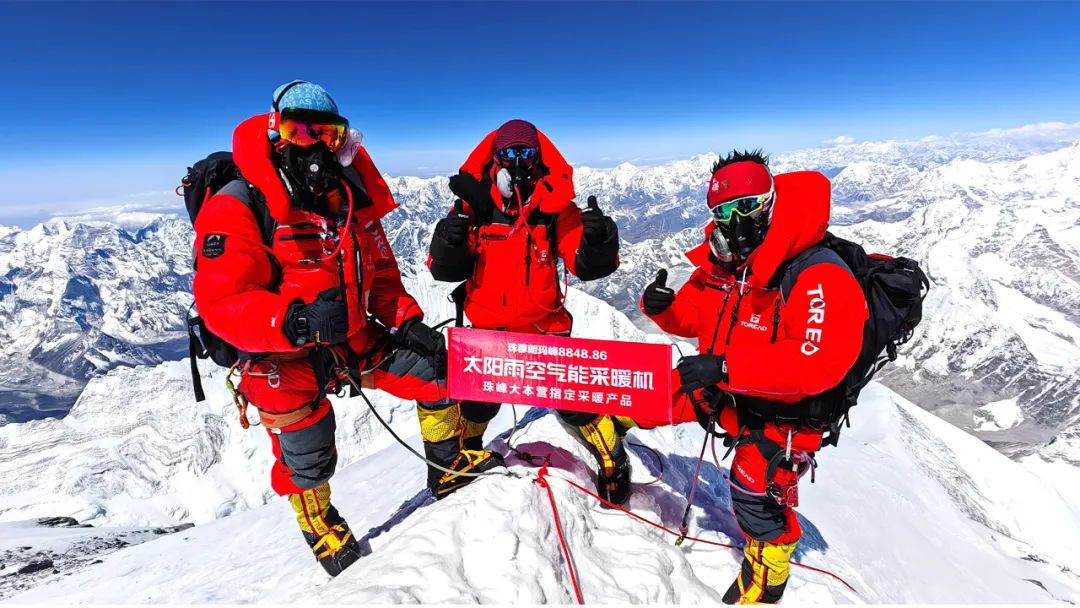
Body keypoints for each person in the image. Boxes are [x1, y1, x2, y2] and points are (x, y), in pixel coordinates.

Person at [192, 81, 451, 576]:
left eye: (327, 134)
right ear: (277, 133)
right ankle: (321, 528)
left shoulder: (347, 199)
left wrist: (407, 320)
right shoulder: (238, 203)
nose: (315, 145)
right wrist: (295, 322)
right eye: (300, 130)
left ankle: (448, 471)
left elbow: (381, 275)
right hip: (279, 355)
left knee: (435, 373)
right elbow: (222, 302)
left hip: (351, 337)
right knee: (308, 454)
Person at [640, 150, 868, 604]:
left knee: (754, 494)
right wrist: (664, 310)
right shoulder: (728, 266)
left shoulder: (817, 273)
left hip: (782, 417)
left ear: (770, 201)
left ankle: (767, 579)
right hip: (727, 392)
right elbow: (697, 317)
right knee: (647, 398)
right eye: (723, 211)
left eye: (746, 206)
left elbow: (817, 362)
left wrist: (726, 368)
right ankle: (606, 452)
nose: (734, 220)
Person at [424, 119, 633, 503]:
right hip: (489, 330)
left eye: (526, 152)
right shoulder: (474, 206)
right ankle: (467, 458)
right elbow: (444, 269)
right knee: (477, 403)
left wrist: (598, 242)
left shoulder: (554, 208)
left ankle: (613, 459)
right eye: (509, 153)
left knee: (572, 403)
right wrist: (449, 241)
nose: (518, 161)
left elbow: (583, 263)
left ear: (538, 157)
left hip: (543, 328)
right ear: (496, 158)